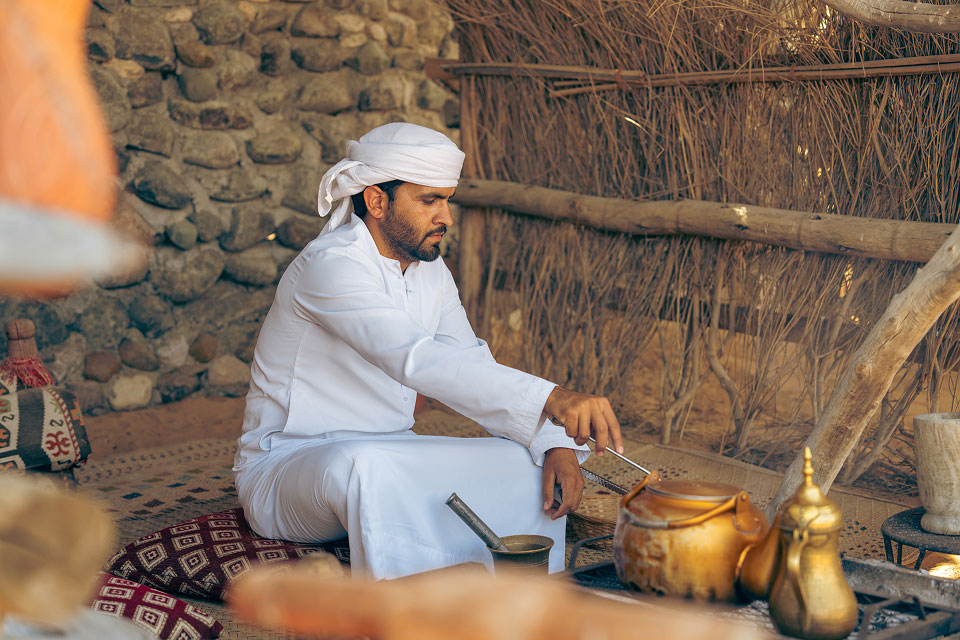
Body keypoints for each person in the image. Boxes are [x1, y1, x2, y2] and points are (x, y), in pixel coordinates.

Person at [233, 123, 623, 579]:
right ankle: (410, 610)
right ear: (377, 201)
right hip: (288, 468)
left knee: (523, 462)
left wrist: (553, 442)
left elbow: (469, 362)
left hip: (394, 453)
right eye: (429, 200)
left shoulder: (430, 273)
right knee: (360, 466)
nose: (446, 218)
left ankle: (516, 592)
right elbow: (414, 359)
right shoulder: (330, 266)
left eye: (447, 201)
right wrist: (554, 397)